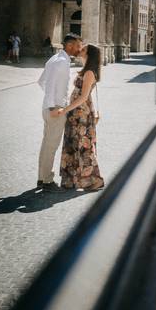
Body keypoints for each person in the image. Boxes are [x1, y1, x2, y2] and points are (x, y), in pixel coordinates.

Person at [54, 43, 105, 191]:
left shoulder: (89, 72)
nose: (80, 50)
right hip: (76, 113)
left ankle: (95, 180)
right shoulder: (86, 70)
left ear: (89, 55)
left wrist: (65, 110)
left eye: (83, 49)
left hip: (81, 114)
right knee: (73, 145)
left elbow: (83, 97)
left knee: (83, 147)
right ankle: (71, 180)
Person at [36, 33, 82, 192]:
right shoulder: (62, 62)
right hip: (54, 109)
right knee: (51, 146)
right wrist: (54, 105)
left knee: (46, 144)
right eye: (77, 46)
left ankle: (42, 177)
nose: (79, 49)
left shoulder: (54, 59)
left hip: (48, 107)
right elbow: (49, 85)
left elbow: (41, 82)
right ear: (69, 46)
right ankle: (47, 181)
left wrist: (49, 103)